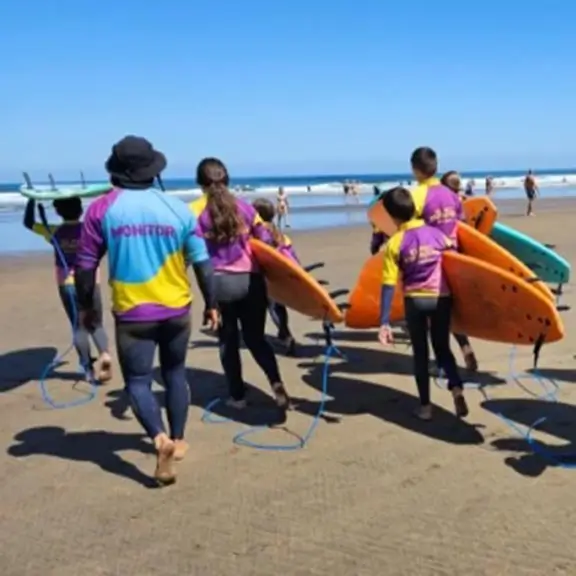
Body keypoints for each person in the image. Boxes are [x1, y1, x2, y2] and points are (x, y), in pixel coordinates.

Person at [74, 136, 219, 486]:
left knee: (138, 381)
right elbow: (203, 263)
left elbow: (85, 267)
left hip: (133, 314)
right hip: (176, 309)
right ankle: (179, 438)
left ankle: (159, 438)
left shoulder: (101, 210)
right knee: (174, 373)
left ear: (117, 172)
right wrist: (212, 304)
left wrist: (86, 310)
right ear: (153, 169)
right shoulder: (178, 209)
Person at [189, 158, 290, 411]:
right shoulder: (245, 208)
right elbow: (265, 240)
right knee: (256, 339)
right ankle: (276, 382)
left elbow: (193, 254)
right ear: (227, 179)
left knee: (228, 342)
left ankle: (237, 396)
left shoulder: (197, 215)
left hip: (220, 285)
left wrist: (208, 301)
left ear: (200, 184)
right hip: (251, 282)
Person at [377, 187, 468, 420]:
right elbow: (456, 263)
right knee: (442, 348)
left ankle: (426, 407)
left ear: (392, 216)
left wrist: (385, 322)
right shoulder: (438, 235)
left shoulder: (395, 243)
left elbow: (388, 284)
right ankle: (456, 388)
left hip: (415, 301)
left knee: (420, 354)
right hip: (441, 298)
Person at [23, 196, 112, 382]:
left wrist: (32, 200)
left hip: (67, 284)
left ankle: (87, 369)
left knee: (78, 326)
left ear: (58, 212)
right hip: (90, 282)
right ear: (80, 211)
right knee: (95, 323)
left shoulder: (54, 231)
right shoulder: (90, 230)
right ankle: (104, 354)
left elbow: (28, 223)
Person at [439, 171, 479, 371]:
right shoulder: (458, 203)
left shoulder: (436, 204)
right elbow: (465, 232)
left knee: (436, 317)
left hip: (437, 261)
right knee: (453, 311)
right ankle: (465, 349)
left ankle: (445, 362)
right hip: (457, 261)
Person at [252, 198, 297, 355]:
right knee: (278, 307)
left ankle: (286, 337)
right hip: (280, 275)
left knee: (269, 308)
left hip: (265, 276)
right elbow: (290, 254)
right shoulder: (277, 231)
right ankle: (283, 333)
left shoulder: (259, 232)